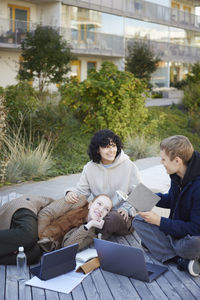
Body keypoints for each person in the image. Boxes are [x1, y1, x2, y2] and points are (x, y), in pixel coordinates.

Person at [133, 135, 200, 277]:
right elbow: (171, 200)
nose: (161, 162)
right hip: (177, 233)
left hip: (192, 237)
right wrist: (145, 197)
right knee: (138, 221)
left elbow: (196, 229)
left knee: (195, 243)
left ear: (177, 161)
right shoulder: (177, 174)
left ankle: (160, 247)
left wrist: (159, 221)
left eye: (163, 159)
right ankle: (180, 260)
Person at [65, 129, 142, 239]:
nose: (111, 150)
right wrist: (70, 192)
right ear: (97, 150)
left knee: (111, 219)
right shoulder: (90, 168)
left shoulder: (128, 165)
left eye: (113, 146)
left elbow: (140, 193)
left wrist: (126, 208)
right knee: (71, 207)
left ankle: (95, 240)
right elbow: (82, 191)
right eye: (106, 147)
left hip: (121, 216)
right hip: (100, 212)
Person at [38, 194, 112, 251]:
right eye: (99, 204)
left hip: (46, 245)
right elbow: (45, 213)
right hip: (37, 221)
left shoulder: (91, 234)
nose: (101, 209)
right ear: (90, 205)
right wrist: (41, 236)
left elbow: (67, 247)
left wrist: (88, 226)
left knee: (33, 255)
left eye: (106, 209)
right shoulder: (79, 202)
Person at [0, 194, 53, 265]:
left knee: (34, 255)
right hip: (28, 206)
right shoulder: (71, 201)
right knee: (28, 234)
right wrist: (69, 192)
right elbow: (46, 214)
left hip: (35, 228)